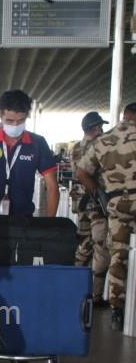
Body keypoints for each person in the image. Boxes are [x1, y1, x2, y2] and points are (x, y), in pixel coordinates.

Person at [77, 102, 136, 331]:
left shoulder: (104, 140)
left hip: (116, 205)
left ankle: (117, 310)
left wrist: (99, 194)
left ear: (125, 115)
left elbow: (81, 171)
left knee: (118, 255)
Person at [0, 89, 59, 217]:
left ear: (26, 116)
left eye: (21, 121)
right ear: (1, 116)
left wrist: (49, 224)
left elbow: (52, 187)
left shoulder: (37, 143)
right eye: (9, 120)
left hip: (24, 218)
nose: (15, 125)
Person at [69, 112, 110, 305]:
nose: (101, 130)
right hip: (96, 203)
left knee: (84, 241)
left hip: (81, 203)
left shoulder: (76, 147)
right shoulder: (99, 146)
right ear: (94, 128)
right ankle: (96, 295)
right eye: (100, 127)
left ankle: (73, 281)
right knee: (101, 247)